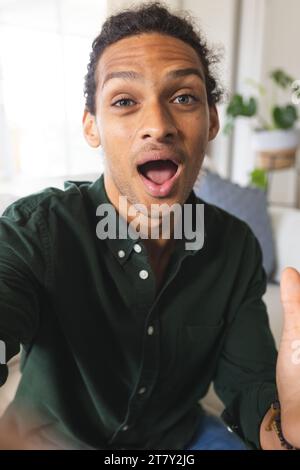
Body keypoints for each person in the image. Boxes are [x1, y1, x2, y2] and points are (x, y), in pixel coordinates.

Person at [0, 2, 299, 451]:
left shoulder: (235, 247)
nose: (158, 126)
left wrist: (286, 430)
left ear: (212, 120)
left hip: (176, 443)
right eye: (124, 101)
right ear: (91, 127)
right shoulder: (37, 229)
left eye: (183, 98)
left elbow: (251, 387)